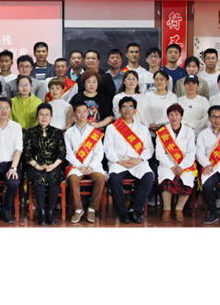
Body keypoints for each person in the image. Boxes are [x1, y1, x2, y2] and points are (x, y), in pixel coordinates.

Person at [104, 96, 155, 224]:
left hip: (137, 161)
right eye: (124, 107)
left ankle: (136, 210)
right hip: (119, 162)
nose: (127, 110)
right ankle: (122, 212)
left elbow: (149, 148)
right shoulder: (112, 128)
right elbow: (108, 148)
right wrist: (119, 161)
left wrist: (139, 159)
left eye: (130, 107)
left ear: (135, 110)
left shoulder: (142, 128)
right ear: (119, 110)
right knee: (114, 178)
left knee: (149, 177)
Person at [24, 103, 67, 226]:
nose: (44, 117)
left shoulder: (57, 132)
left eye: (47, 115)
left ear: (51, 116)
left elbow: (62, 153)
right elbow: (27, 153)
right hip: (35, 166)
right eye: (41, 114)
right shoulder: (30, 132)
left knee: (54, 177)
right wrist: (38, 166)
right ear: (37, 116)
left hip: (54, 165)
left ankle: (50, 212)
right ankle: (42, 212)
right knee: (39, 178)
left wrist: (53, 165)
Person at [64, 102, 106, 223]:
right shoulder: (69, 132)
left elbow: (99, 152)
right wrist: (79, 166)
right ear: (74, 114)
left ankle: (92, 209)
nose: (82, 114)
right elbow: (68, 153)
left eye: (84, 111)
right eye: (79, 112)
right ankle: (78, 209)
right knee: (72, 179)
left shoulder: (94, 131)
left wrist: (91, 166)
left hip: (93, 165)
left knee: (100, 178)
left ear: (88, 113)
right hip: (77, 165)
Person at [156, 104, 197, 222]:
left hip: (185, 164)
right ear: (168, 116)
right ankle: (167, 209)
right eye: (171, 114)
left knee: (187, 179)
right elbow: (159, 154)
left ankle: (179, 208)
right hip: (167, 164)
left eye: (176, 114)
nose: (173, 117)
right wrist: (172, 166)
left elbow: (191, 152)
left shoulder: (189, 131)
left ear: (181, 116)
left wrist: (182, 166)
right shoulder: (162, 132)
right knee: (167, 178)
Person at [140, 70, 178, 135]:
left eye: (161, 79)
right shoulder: (147, 95)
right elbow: (143, 112)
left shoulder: (172, 96)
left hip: (166, 131)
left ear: (167, 81)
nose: (159, 82)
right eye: (156, 79)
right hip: (149, 130)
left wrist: (157, 123)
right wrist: (149, 124)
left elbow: (174, 114)